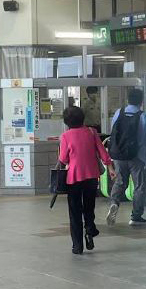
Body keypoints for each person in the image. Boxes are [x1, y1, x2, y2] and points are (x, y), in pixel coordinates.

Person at [57, 104, 110, 255]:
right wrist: (110, 167)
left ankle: (77, 246)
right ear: (82, 118)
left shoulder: (66, 136)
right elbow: (102, 153)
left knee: (75, 212)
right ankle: (90, 228)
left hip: (74, 178)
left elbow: (63, 159)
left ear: (67, 122)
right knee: (89, 206)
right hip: (92, 176)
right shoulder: (92, 132)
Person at [106, 87, 146, 226]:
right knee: (139, 186)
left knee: (120, 182)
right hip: (137, 156)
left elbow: (113, 132)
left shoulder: (119, 112)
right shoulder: (143, 116)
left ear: (128, 100)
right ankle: (136, 216)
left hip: (119, 156)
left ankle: (114, 203)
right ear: (141, 101)